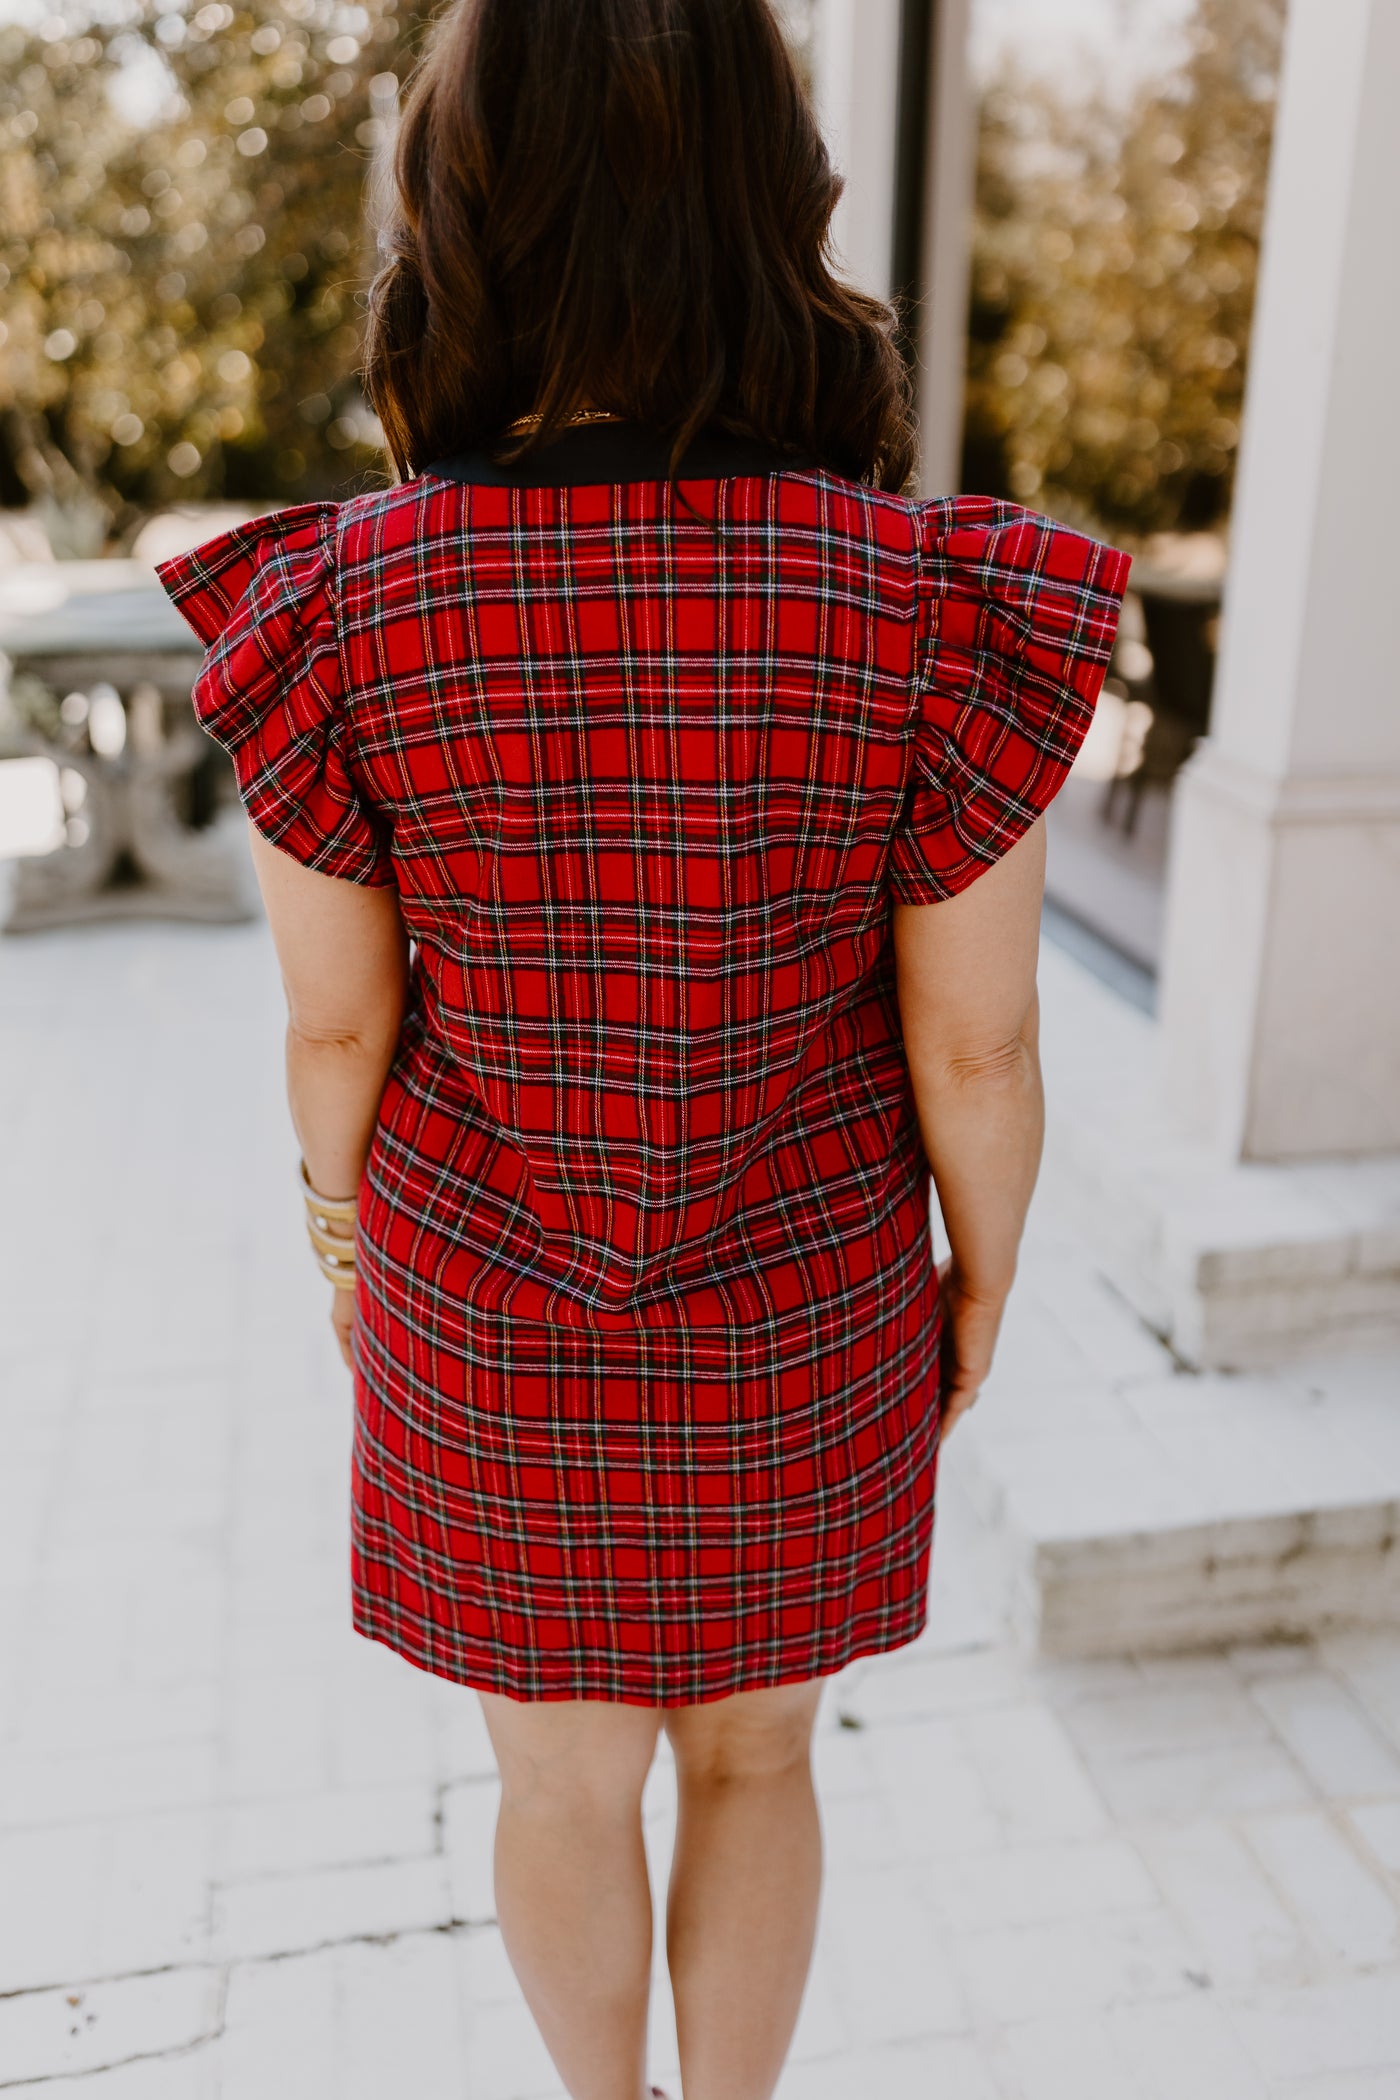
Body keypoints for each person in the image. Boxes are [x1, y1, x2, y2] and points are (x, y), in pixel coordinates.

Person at [157, 2, 1129, 2094]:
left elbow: (340, 1018)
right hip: (804, 1303)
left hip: (484, 1306)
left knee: (557, 1784)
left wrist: (347, 1250)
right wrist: (986, 1278)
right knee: (763, 1766)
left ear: (458, 215)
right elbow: (976, 1053)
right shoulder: (914, 597)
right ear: (779, 204)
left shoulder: (351, 600)